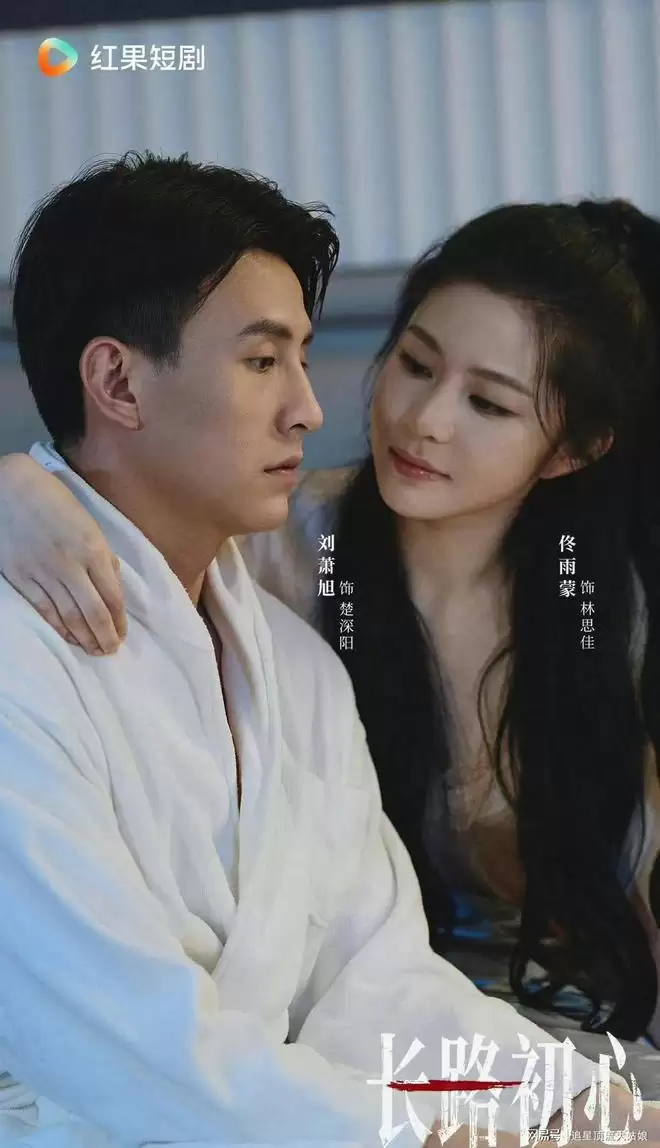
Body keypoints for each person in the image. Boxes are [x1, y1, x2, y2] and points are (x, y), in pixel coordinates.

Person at [0, 151, 645, 1148]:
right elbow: (118, 1032)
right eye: (264, 361)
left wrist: (574, 1107)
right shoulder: (30, 654)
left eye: (303, 357)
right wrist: (425, 1137)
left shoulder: (292, 662)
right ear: (117, 380)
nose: (309, 406)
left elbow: (371, 977)